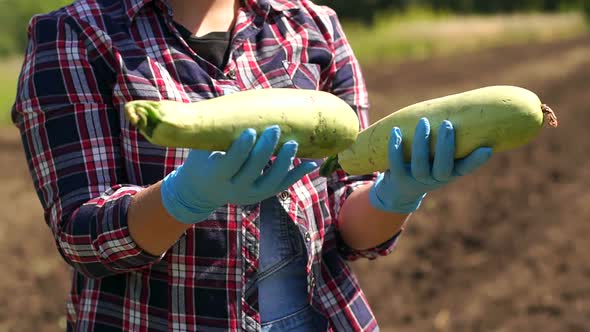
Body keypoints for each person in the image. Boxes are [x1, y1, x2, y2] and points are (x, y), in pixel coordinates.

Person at [11, 0, 493, 330]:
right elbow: (82, 235)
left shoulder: (310, 24)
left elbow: (347, 224)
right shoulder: (75, 34)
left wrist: (397, 194)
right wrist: (183, 198)